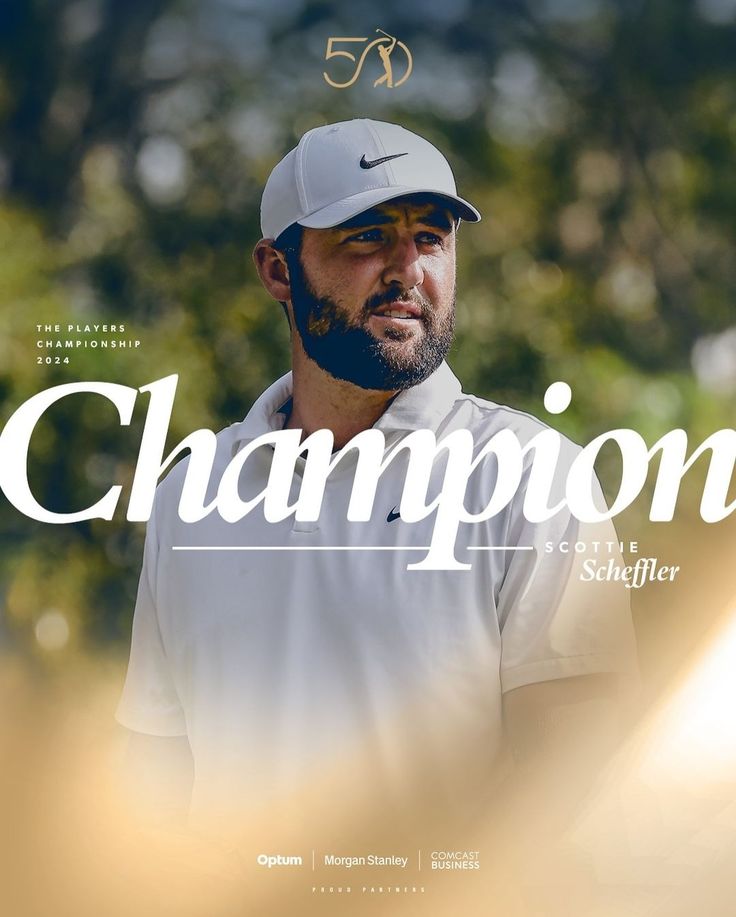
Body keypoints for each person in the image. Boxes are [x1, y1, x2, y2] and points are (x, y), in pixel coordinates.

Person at [116, 118, 637, 833]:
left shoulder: (532, 475)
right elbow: (154, 784)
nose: (408, 270)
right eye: (366, 236)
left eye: (431, 237)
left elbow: (570, 793)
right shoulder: (190, 495)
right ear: (276, 270)